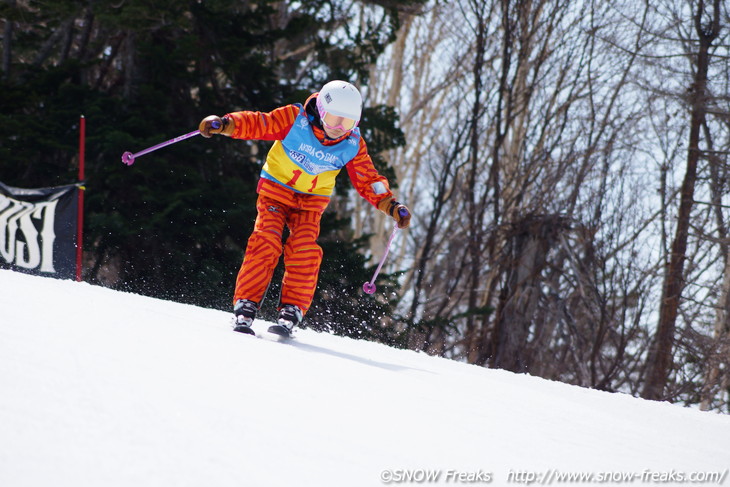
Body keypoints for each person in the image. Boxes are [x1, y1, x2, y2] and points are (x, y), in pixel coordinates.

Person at [199, 80, 411, 336]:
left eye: (347, 123)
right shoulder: (294, 119)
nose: (337, 129)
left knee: (304, 248)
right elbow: (260, 123)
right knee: (266, 240)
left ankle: (292, 308)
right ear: (321, 110)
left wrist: (391, 204)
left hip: (310, 203)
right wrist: (226, 124)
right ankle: (246, 303)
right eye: (333, 119)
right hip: (276, 192)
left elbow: (369, 179)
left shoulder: (352, 143)